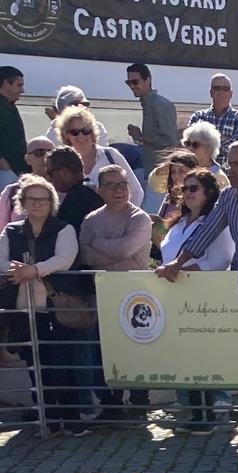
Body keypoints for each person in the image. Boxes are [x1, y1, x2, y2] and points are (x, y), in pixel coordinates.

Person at [3, 173, 86, 432]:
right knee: (33, 363)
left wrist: (34, 270)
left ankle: (71, 420)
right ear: (22, 202)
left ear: (51, 203)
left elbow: (64, 259)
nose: (38, 204)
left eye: (43, 199)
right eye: (32, 199)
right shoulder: (11, 231)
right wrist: (15, 269)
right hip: (23, 307)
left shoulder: (64, 229)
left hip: (54, 306)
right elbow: (2, 260)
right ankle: (47, 417)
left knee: (59, 361)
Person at [159, 168, 234, 432]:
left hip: (204, 298)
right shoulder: (178, 224)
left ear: (209, 193)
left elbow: (221, 259)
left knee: (203, 355)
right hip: (176, 297)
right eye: (184, 189)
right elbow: (166, 256)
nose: (187, 194)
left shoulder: (215, 224)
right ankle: (194, 412)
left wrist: (180, 270)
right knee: (184, 356)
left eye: (193, 189)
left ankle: (211, 413)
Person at [78, 165, 154, 420]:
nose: (119, 190)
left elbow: (127, 249)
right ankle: (111, 403)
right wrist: (109, 251)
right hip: (103, 294)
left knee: (136, 349)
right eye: (111, 185)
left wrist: (98, 245)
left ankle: (139, 402)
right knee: (104, 350)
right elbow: (85, 255)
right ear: (100, 190)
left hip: (135, 295)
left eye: (122, 184)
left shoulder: (140, 218)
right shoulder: (91, 220)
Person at [157, 141, 238, 280]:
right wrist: (179, 262)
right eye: (229, 164)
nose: (230, 171)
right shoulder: (227, 196)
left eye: (237, 165)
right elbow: (207, 231)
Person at [52, 106, 143, 208]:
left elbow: (136, 192)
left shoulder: (111, 155)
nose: (81, 136)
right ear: (66, 134)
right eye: (75, 132)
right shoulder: (61, 162)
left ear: (92, 132)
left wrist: (125, 218)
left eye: (86, 130)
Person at [124, 62, 178, 173]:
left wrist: (141, 137)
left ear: (148, 80)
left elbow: (170, 141)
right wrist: (140, 138)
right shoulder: (149, 103)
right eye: (128, 83)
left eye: (135, 82)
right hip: (152, 173)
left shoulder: (160, 104)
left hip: (162, 175)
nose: (132, 86)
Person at [188, 75, 238, 158]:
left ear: (231, 93)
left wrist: (206, 142)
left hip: (229, 170)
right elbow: (191, 145)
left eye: (225, 89)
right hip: (202, 170)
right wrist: (223, 138)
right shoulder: (198, 117)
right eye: (217, 88)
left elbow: (234, 149)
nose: (221, 91)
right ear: (211, 92)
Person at [0, 139, 54, 228]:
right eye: (40, 153)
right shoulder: (12, 192)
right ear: (27, 159)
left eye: (51, 153)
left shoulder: (63, 188)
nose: (46, 157)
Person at [46, 148, 102, 232]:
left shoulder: (76, 200)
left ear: (64, 172)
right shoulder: (92, 187)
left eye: (49, 173)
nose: (48, 178)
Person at [0, 67, 26, 192]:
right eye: (19, 85)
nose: (22, 90)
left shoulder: (9, 105)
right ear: (5, 83)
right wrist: (2, 162)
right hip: (6, 170)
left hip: (14, 169)